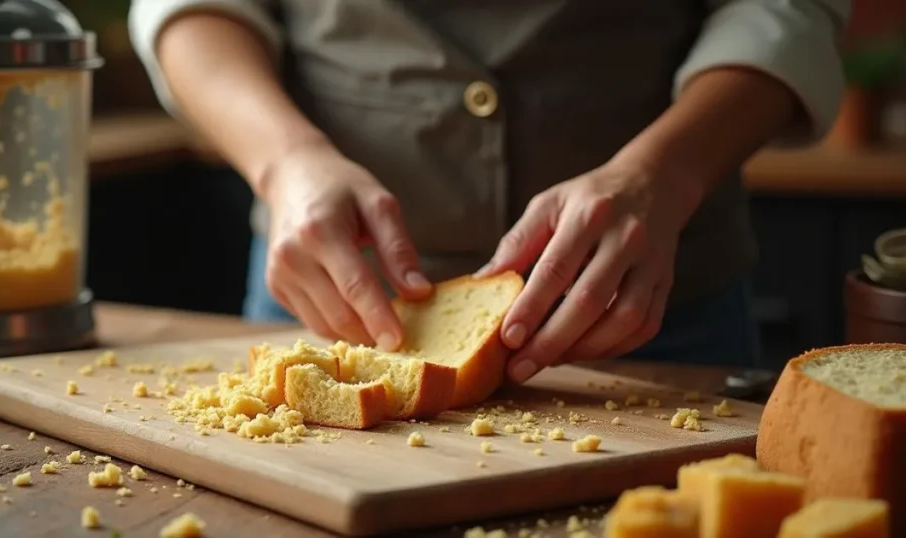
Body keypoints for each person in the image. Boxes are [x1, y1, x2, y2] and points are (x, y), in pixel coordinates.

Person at [130, 0, 849, 383]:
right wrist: (284, 162)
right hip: (319, 303)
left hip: (661, 317)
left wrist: (664, 173)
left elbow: (783, 8)